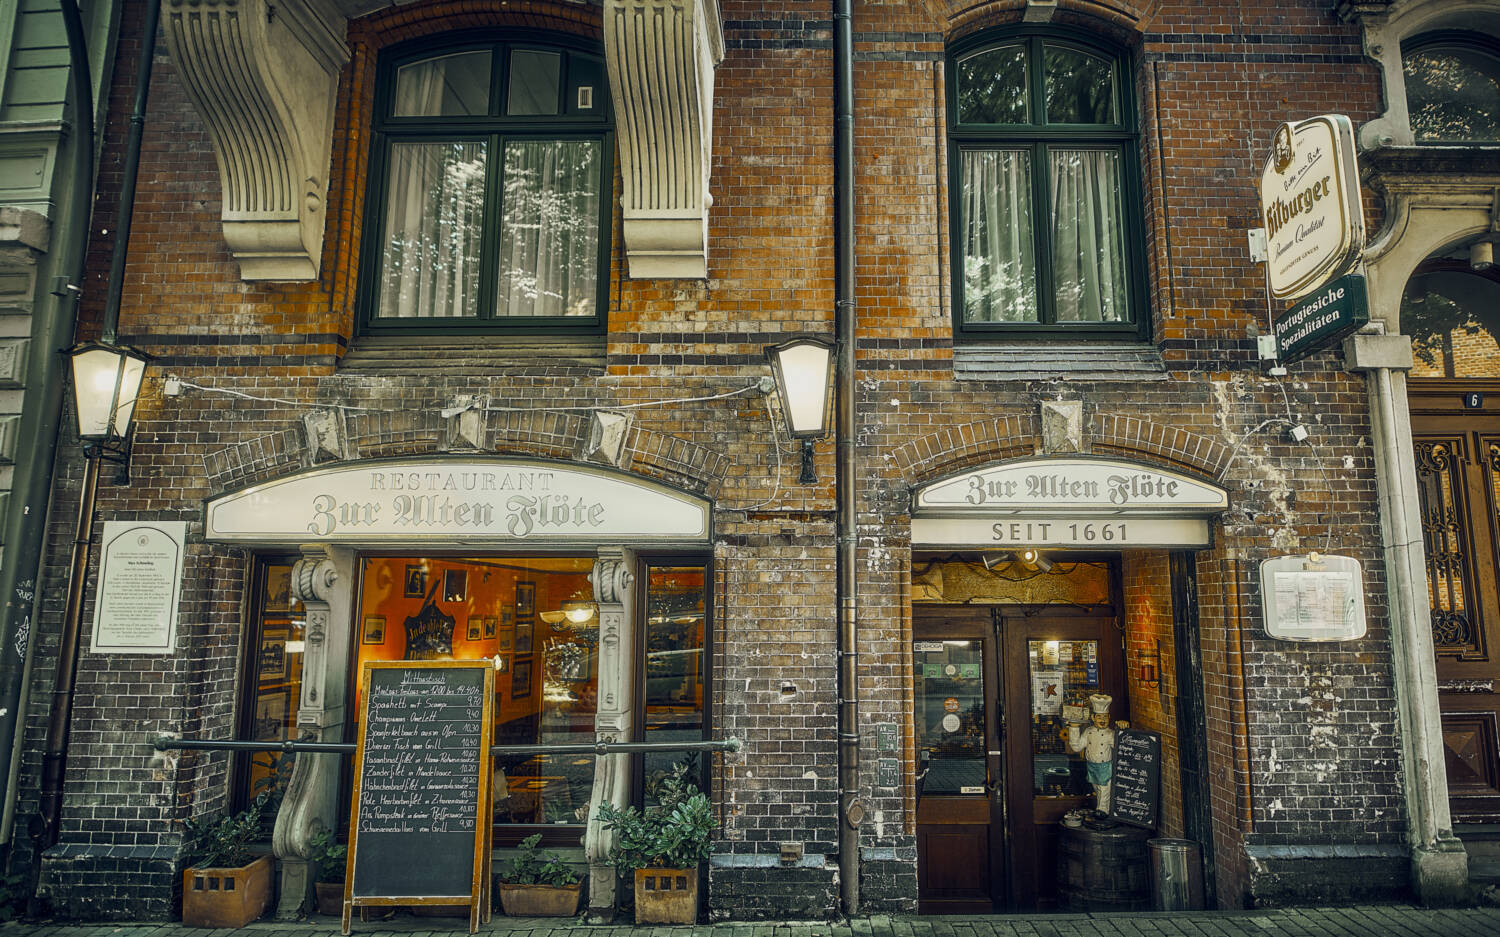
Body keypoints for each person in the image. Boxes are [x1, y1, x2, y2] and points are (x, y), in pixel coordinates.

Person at [1063, 693, 1124, 813]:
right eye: (1100, 717)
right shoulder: (1088, 731)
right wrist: (1074, 728)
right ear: (1093, 718)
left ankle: (1103, 812)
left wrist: (1122, 730)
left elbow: (1120, 747)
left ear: (1109, 717)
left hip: (1105, 767)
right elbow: (1076, 747)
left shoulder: (1110, 734)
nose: (1103, 720)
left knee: (1104, 790)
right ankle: (1103, 810)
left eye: (1105, 717)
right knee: (1097, 788)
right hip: (1092, 766)